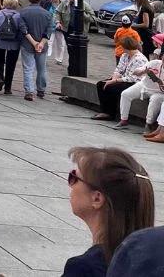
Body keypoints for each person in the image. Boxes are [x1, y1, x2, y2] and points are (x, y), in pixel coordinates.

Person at [61, 147, 154, 277]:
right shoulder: (153, 258)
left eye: (73, 177)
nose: (70, 185)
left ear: (97, 198)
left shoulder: (85, 268)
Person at [92, 35, 148, 121]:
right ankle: (105, 111)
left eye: (123, 47)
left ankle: (110, 113)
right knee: (101, 84)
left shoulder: (139, 59)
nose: (122, 48)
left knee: (111, 87)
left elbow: (132, 78)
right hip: (124, 79)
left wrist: (115, 81)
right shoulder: (125, 55)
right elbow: (119, 69)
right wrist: (114, 79)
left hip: (135, 83)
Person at [0, 0, 30, 95]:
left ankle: (0, 77)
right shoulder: (19, 16)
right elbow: (22, 29)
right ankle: (8, 87)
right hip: (14, 43)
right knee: (11, 65)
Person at [19, 0, 54, 101]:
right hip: (42, 46)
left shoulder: (23, 12)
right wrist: (41, 43)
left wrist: (33, 42)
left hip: (27, 44)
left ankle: (29, 91)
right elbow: (49, 30)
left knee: (28, 68)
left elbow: (23, 29)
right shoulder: (47, 13)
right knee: (41, 68)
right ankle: (41, 89)